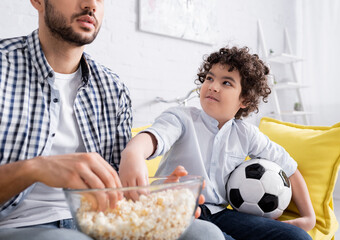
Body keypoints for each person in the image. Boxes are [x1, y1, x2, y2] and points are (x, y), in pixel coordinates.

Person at [0, 0, 225, 239]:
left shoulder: (113, 88)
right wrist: (35, 168)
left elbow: (120, 191)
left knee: (206, 234)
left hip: (103, 222)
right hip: (19, 225)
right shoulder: (5, 67)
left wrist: (156, 199)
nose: (90, 5)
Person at [119, 46, 316, 240]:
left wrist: (309, 217)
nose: (213, 86)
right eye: (209, 78)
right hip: (177, 212)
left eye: (227, 83)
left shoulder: (246, 134)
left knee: (297, 236)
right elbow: (155, 137)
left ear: (245, 100)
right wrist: (133, 153)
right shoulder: (181, 118)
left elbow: (288, 167)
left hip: (219, 213)